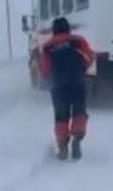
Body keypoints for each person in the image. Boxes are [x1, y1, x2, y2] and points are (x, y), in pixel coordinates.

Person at [37, 17, 95, 160]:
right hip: (77, 81)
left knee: (61, 116)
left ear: (54, 30)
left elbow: (43, 69)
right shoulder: (78, 41)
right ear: (68, 28)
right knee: (79, 112)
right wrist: (82, 67)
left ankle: (63, 146)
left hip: (58, 86)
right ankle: (77, 139)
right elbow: (90, 56)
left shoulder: (48, 47)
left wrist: (49, 78)